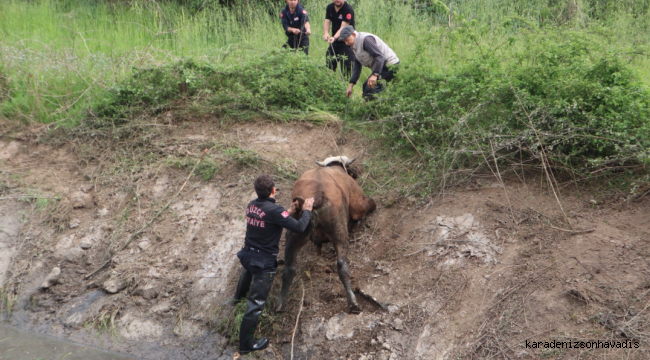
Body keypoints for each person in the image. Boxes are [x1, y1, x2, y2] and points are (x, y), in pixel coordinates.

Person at [233, 175, 314, 354]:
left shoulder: (251, 206)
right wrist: (307, 210)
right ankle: (246, 344)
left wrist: (289, 212)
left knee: (247, 272)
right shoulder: (276, 211)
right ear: (273, 190)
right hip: (263, 263)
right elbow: (300, 227)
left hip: (247, 255)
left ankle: (236, 299)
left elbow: (271, 219)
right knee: (255, 304)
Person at [338, 26, 400, 100]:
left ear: (353, 34)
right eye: (344, 41)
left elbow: (380, 57)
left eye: (347, 40)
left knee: (370, 91)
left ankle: (376, 108)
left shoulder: (366, 40)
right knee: (366, 87)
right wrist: (351, 85)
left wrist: (375, 75)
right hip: (381, 67)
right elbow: (357, 65)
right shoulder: (354, 44)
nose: (346, 43)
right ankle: (372, 108)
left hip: (390, 65)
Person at [324, 0, 355, 77]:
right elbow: (327, 21)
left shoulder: (348, 9)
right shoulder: (329, 7)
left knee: (347, 69)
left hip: (346, 42)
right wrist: (326, 33)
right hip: (334, 42)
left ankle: (347, 86)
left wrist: (334, 37)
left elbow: (343, 28)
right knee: (329, 65)